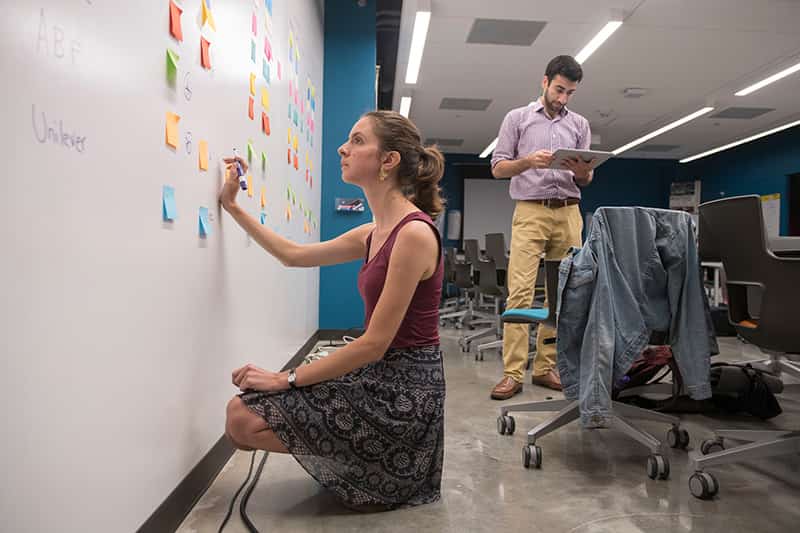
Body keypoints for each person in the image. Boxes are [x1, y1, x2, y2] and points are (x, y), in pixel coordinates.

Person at [220, 110, 447, 511]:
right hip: (377, 376)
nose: (344, 147)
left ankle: (379, 466)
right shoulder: (373, 232)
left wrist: (285, 378)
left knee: (243, 418)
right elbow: (292, 255)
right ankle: (359, 460)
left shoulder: (412, 233)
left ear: (388, 160)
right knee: (239, 418)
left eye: (358, 141)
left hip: (404, 394)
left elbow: (374, 343)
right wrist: (233, 206)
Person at [489, 55, 595, 400]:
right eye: (560, 89)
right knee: (520, 292)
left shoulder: (579, 124)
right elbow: (498, 167)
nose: (564, 98)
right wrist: (526, 162)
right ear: (545, 81)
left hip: (569, 212)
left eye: (570, 93)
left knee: (562, 295)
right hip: (531, 211)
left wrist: (582, 171)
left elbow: (586, 176)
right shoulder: (517, 119)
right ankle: (512, 373)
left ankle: (546, 367)